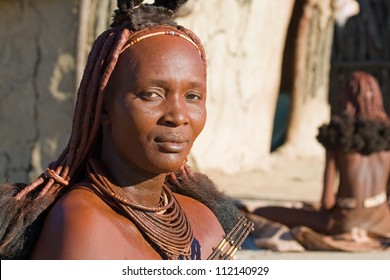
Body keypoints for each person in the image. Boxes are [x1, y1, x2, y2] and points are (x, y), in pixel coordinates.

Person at [0, 0, 242, 260]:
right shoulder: (85, 225)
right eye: (152, 94)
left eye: (193, 96)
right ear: (104, 108)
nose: (179, 116)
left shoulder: (204, 220)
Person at [251, 71, 390, 249]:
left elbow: (327, 202)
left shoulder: (338, 138)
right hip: (385, 223)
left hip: (344, 223)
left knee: (263, 212)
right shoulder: (386, 137)